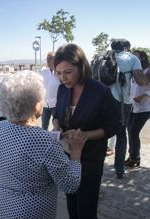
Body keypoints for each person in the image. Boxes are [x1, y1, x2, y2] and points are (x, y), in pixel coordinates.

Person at [0, 71, 85, 219]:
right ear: (35, 105)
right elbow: (70, 184)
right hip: (34, 210)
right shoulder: (43, 140)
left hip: (5, 205)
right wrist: (76, 153)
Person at [53, 43, 119, 219]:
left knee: (87, 209)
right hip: (66, 158)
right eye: (58, 73)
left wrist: (84, 136)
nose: (63, 78)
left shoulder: (100, 91)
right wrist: (56, 125)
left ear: (82, 67)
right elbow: (56, 114)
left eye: (68, 72)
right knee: (71, 204)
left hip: (90, 160)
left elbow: (113, 126)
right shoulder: (62, 89)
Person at [109, 39, 149, 179]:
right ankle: (119, 169)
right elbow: (140, 80)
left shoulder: (102, 57)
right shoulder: (131, 58)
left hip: (102, 100)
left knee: (101, 132)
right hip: (122, 102)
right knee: (121, 135)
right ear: (126, 48)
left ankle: (96, 164)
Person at [125, 50, 150, 167]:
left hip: (144, 108)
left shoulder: (148, 71)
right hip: (133, 107)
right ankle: (132, 156)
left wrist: (143, 96)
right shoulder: (134, 72)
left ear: (143, 58)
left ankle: (135, 158)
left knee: (133, 132)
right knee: (130, 131)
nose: (134, 60)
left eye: (136, 57)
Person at [41, 52, 60, 130]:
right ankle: (43, 141)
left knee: (57, 127)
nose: (48, 61)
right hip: (45, 105)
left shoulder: (60, 73)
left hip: (56, 105)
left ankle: (56, 141)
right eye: (47, 59)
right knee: (44, 127)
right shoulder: (43, 72)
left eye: (50, 58)